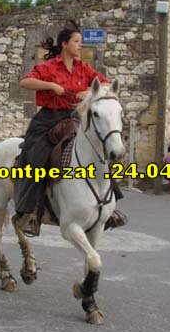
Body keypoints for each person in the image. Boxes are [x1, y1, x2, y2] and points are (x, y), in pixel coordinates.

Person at [13, 22, 124, 235]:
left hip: (73, 119)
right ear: (64, 44)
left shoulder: (83, 68)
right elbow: (25, 81)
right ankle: (31, 211)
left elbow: (107, 83)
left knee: (98, 152)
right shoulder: (49, 67)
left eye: (80, 42)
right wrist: (51, 86)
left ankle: (110, 208)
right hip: (48, 120)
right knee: (37, 157)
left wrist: (88, 93)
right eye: (76, 42)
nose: (80, 46)